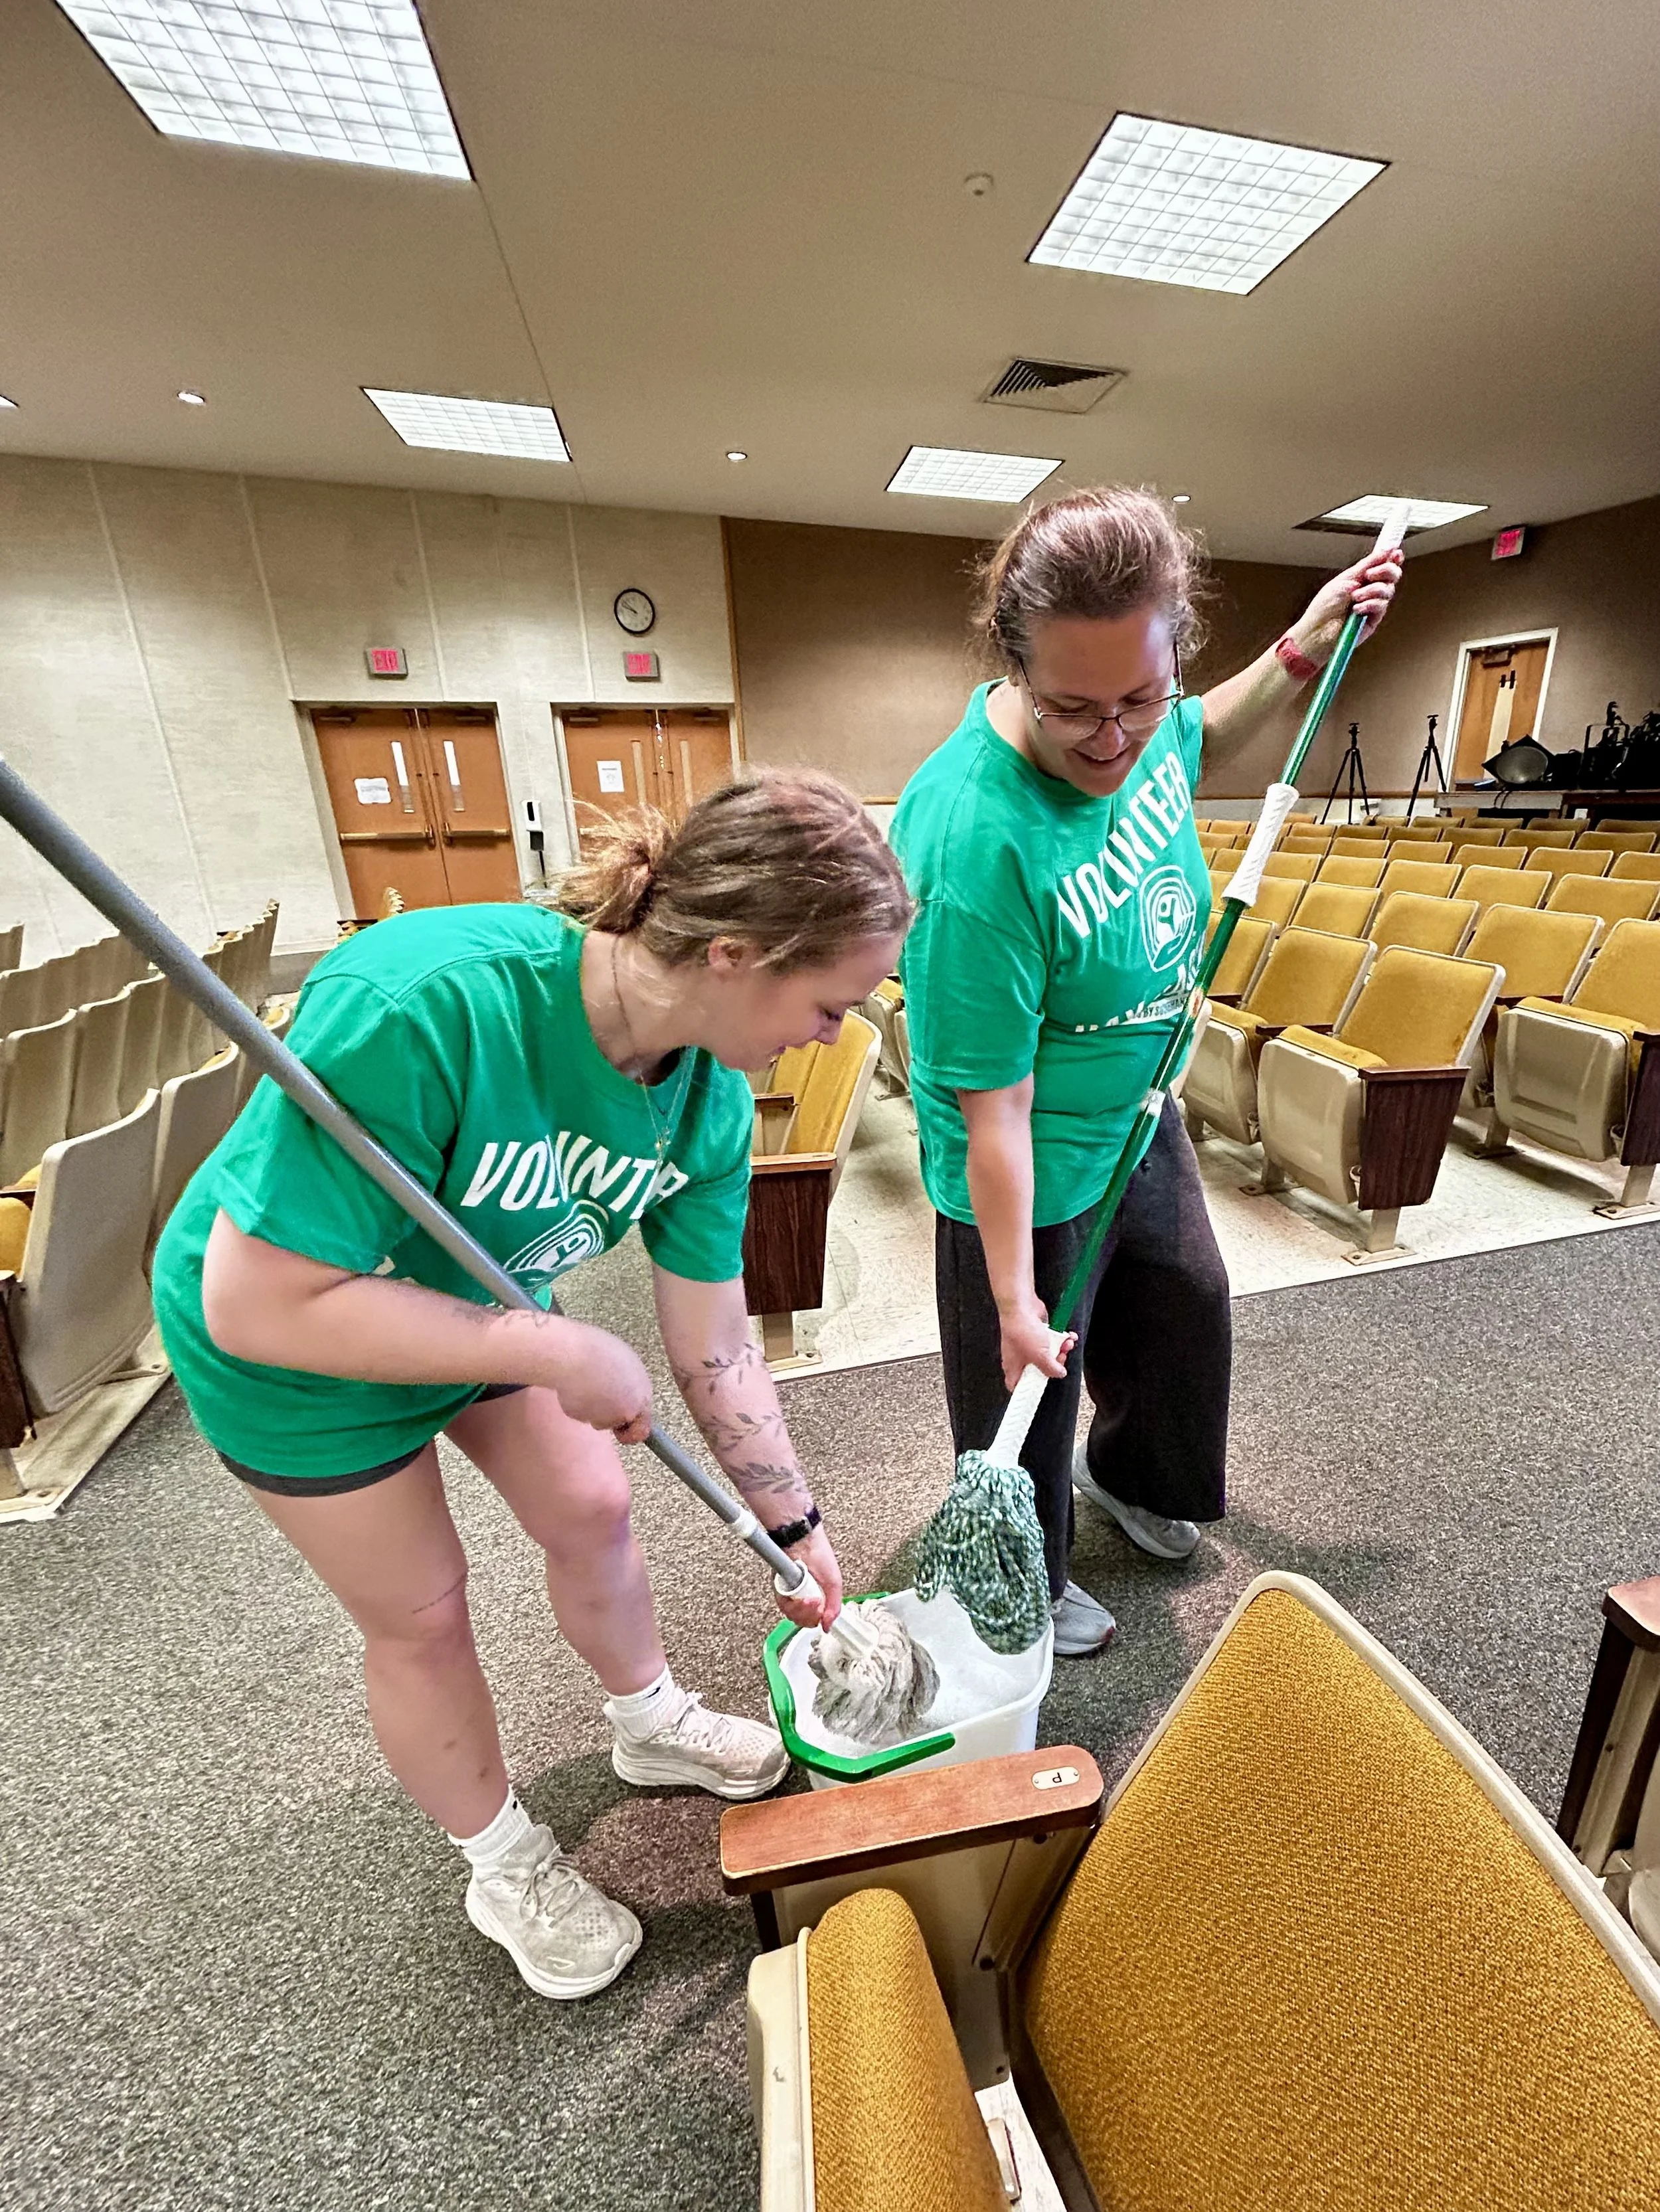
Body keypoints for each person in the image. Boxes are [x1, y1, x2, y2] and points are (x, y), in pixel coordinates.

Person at [151, 771, 910, 2000]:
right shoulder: (428, 999)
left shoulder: (706, 1097)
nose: (833, 1036)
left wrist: (793, 1523)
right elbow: (259, 1297)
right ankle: (502, 1861)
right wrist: (548, 1349)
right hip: (297, 1339)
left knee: (594, 1504)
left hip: (480, 1300)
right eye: (829, 1003)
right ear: (732, 954)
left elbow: (718, 1346)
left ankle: (650, 1720)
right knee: (424, 1609)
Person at [890, 487, 1399, 1656]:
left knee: (1184, 1303)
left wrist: (1306, 639)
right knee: (1027, 1385)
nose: (1115, 736)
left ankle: (1131, 1475)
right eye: (1074, 708)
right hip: (1026, 1147)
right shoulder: (973, 837)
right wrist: (1012, 1300)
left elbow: (1199, 732)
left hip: (1141, 1101)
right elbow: (994, 1109)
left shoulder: (1147, 716)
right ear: (1014, 664)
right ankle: (1026, 1574)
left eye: (1139, 696)